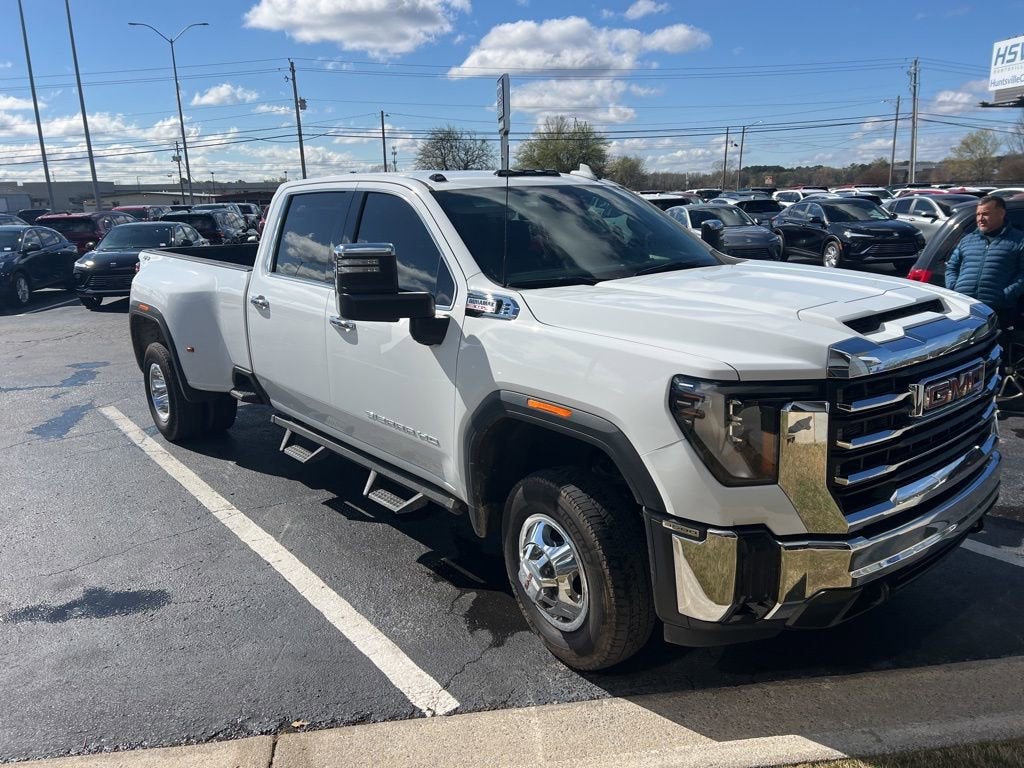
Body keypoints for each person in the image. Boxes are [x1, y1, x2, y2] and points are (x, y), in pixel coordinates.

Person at [945, 195, 1024, 328]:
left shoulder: (1019, 240)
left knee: (995, 347)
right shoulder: (968, 240)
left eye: (985, 214)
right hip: (964, 308)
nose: (980, 219)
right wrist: (954, 288)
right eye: (978, 214)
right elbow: (952, 267)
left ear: (1001, 213)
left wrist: (1005, 295)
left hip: (998, 310)